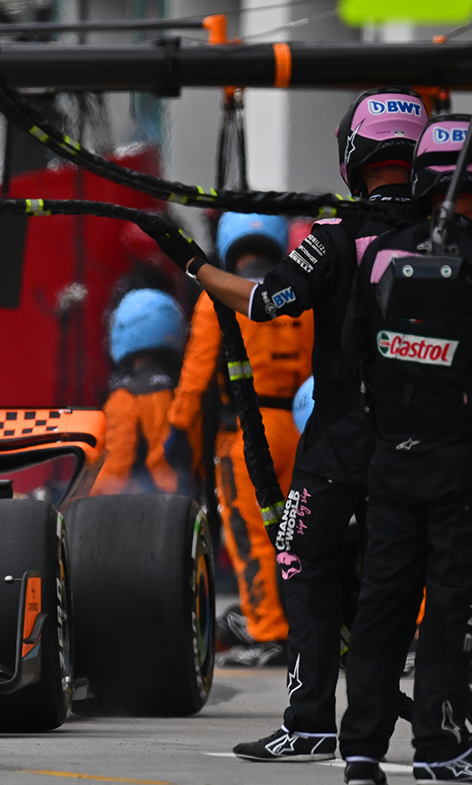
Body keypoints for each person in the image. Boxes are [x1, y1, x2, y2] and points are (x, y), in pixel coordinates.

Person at [183, 88, 427, 762]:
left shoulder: (336, 234)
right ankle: (420, 728)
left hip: (342, 435)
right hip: (426, 440)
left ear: (355, 152)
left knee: (302, 556)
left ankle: (311, 718)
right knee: (397, 577)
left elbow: (267, 300)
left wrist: (197, 267)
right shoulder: (445, 239)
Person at [338, 116, 472, 785]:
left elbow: (351, 352)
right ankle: (437, 749)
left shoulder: (374, 256)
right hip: (468, 466)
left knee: (382, 607)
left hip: (392, 461)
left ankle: (361, 751)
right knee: (448, 608)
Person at [169, 211, 312, 669]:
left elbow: (195, 379)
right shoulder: (302, 299)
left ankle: (268, 632)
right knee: (302, 535)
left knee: (252, 536)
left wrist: (179, 431)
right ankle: (307, 627)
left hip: (248, 434)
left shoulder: (220, 297)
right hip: (303, 425)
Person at [92, 288, 188, 496]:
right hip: (190, 502)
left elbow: (115, 472)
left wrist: (77, 505)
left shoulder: (126, 397)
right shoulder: (187, 391)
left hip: (148, 509)